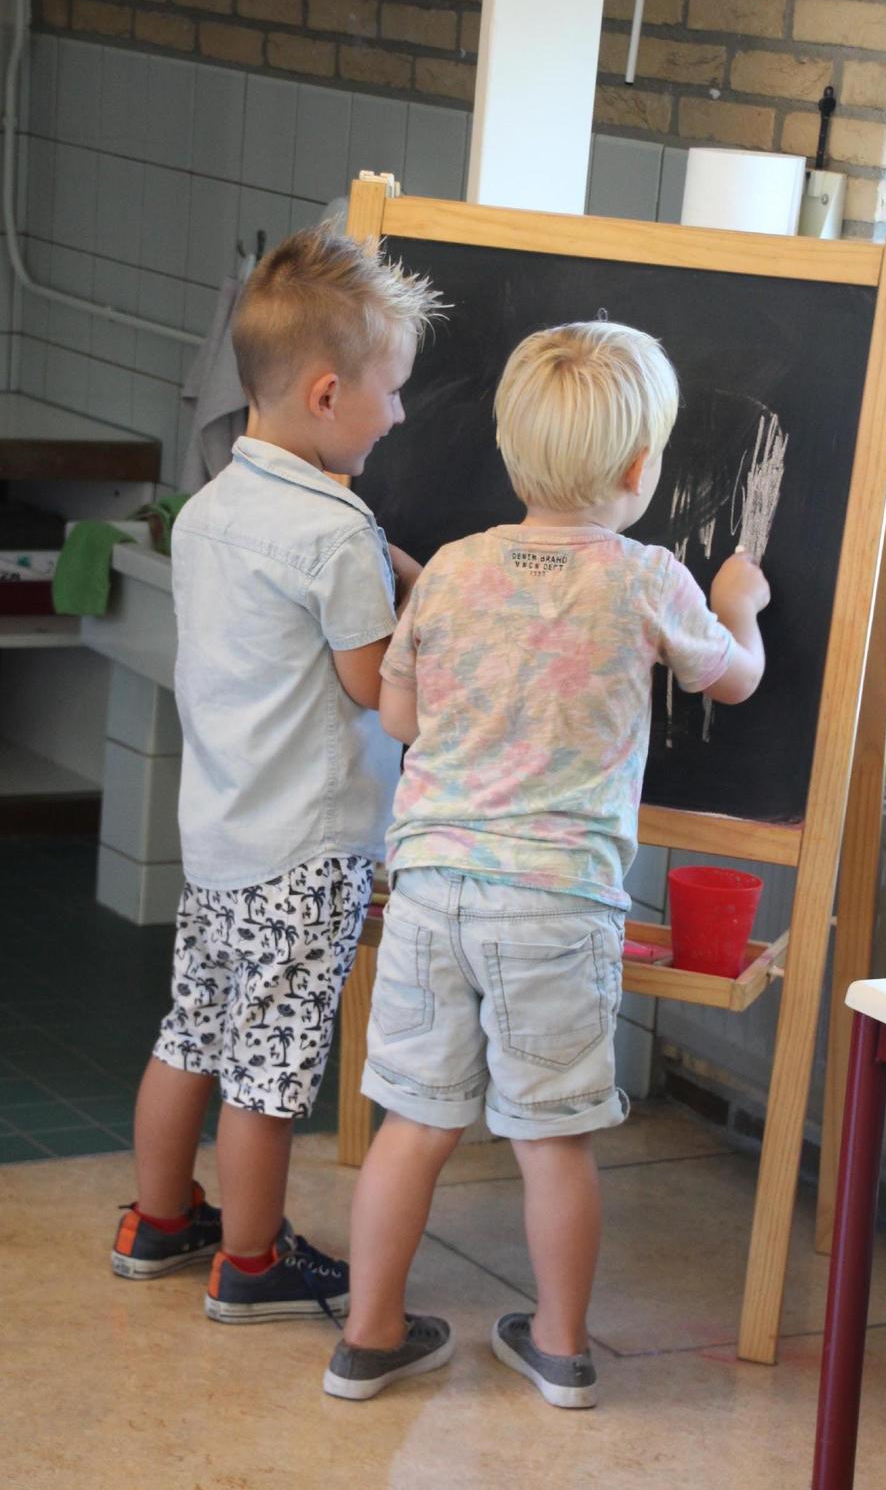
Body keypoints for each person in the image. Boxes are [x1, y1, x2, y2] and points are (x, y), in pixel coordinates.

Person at [323, 320, 770, 1405]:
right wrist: (739, 608)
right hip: (554, 903)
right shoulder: (648, 579)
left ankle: (370, 1336)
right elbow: (736, 681)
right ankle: (562, 1349)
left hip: (430, 890)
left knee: (414, 1122)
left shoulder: (457, 571)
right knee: (552, 1137)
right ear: (636, 467)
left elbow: (400, 715)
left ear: (511, 450)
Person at [111, 225, 443, 1325]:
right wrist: (424, 609)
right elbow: (365, 684)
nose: (398, 413)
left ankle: (160, 1220)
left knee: (190, 1035)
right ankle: (250, 1259)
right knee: (269, 1069)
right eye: (390, 392)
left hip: (219, 834)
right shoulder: (336, 531)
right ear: (326, 392)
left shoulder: (210, 509)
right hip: (305, 855)